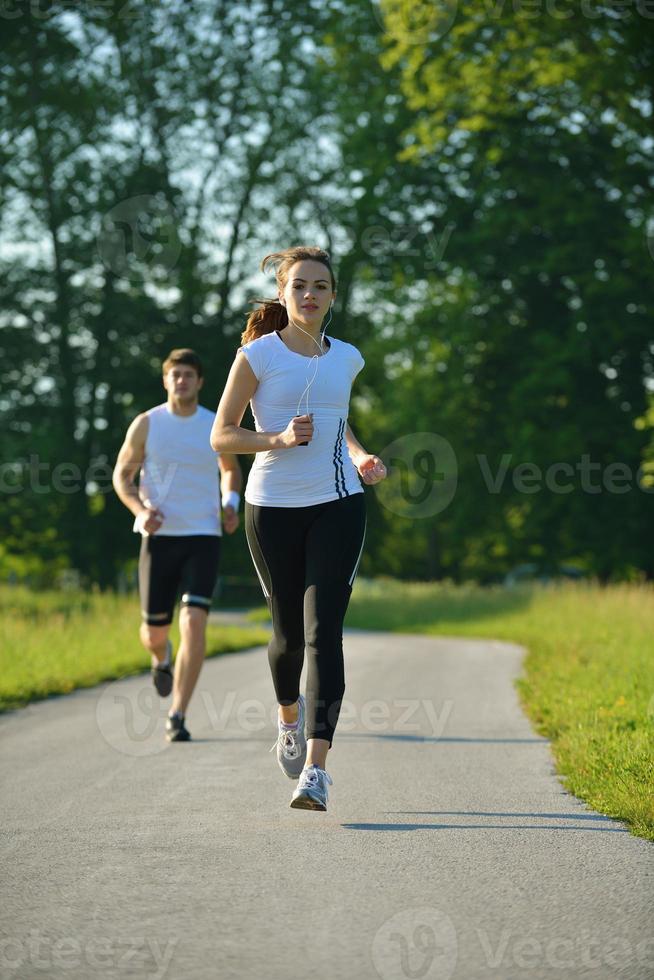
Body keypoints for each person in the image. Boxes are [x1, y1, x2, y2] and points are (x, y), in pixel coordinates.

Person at [210, 246, 386, 810]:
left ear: (333, 296)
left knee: (322, 634)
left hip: (339, 503)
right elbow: (222, 435)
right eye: (300, 285)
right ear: (283, 294)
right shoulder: (257, 356)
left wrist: (358, 454)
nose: (310, 294)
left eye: (321, 286)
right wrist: (280, 440)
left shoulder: (348, 358)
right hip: (272, 507)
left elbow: (338, 418)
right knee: (287, 638)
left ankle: (316, 770)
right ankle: (288, 717)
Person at [112, 348, 242, 743]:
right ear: (166, 380)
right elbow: (122, 475)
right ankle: (161, 659)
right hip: (159, 537)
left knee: (194, 622)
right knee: (154, 633)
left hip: (203, 536)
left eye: (189, 374)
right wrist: (139, 508)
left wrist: (230, 503)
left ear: (200, 381)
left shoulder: (214, 424)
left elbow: (230, 470)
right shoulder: (147, 424)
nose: (182, 380)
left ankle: (178, 713)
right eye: (175, 375)